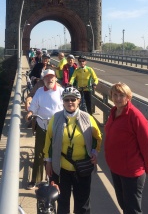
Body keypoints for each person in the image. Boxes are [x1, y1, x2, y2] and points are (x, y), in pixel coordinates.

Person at [43, 86, 102, 214]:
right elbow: (48, 140)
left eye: (73, 99)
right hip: (61, 168)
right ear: (62, 101)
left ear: (79, 101)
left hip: (82, 168)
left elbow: (97, 137)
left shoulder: (88, 118)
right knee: (62, 202)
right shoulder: (56, 118)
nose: (70, 102)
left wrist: (94, 152)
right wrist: (48, 161)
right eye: (66, 99)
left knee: (83, 204)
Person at [104, 82, 148, 214]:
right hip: (116, 168)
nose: (117, 98)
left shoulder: (135, 116)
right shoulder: (114, 112)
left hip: (132, 171)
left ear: (128, 97)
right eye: (115, 95)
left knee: (132, 209)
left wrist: (146, 165)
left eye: (121, 95)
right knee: (123, 204)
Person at [25, 69, 64, 189]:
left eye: (52, 77)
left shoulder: (61, 91)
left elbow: (68, 106)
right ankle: (35, 179)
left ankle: (57, 179)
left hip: (57, 126)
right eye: (47, 77)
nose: (50, 79)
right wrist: (30, 113)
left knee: (58, 152)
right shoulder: (40, 91)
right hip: (42, 125)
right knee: (39, 153)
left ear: (55, 78)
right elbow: (34, 106)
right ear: (43, 80)